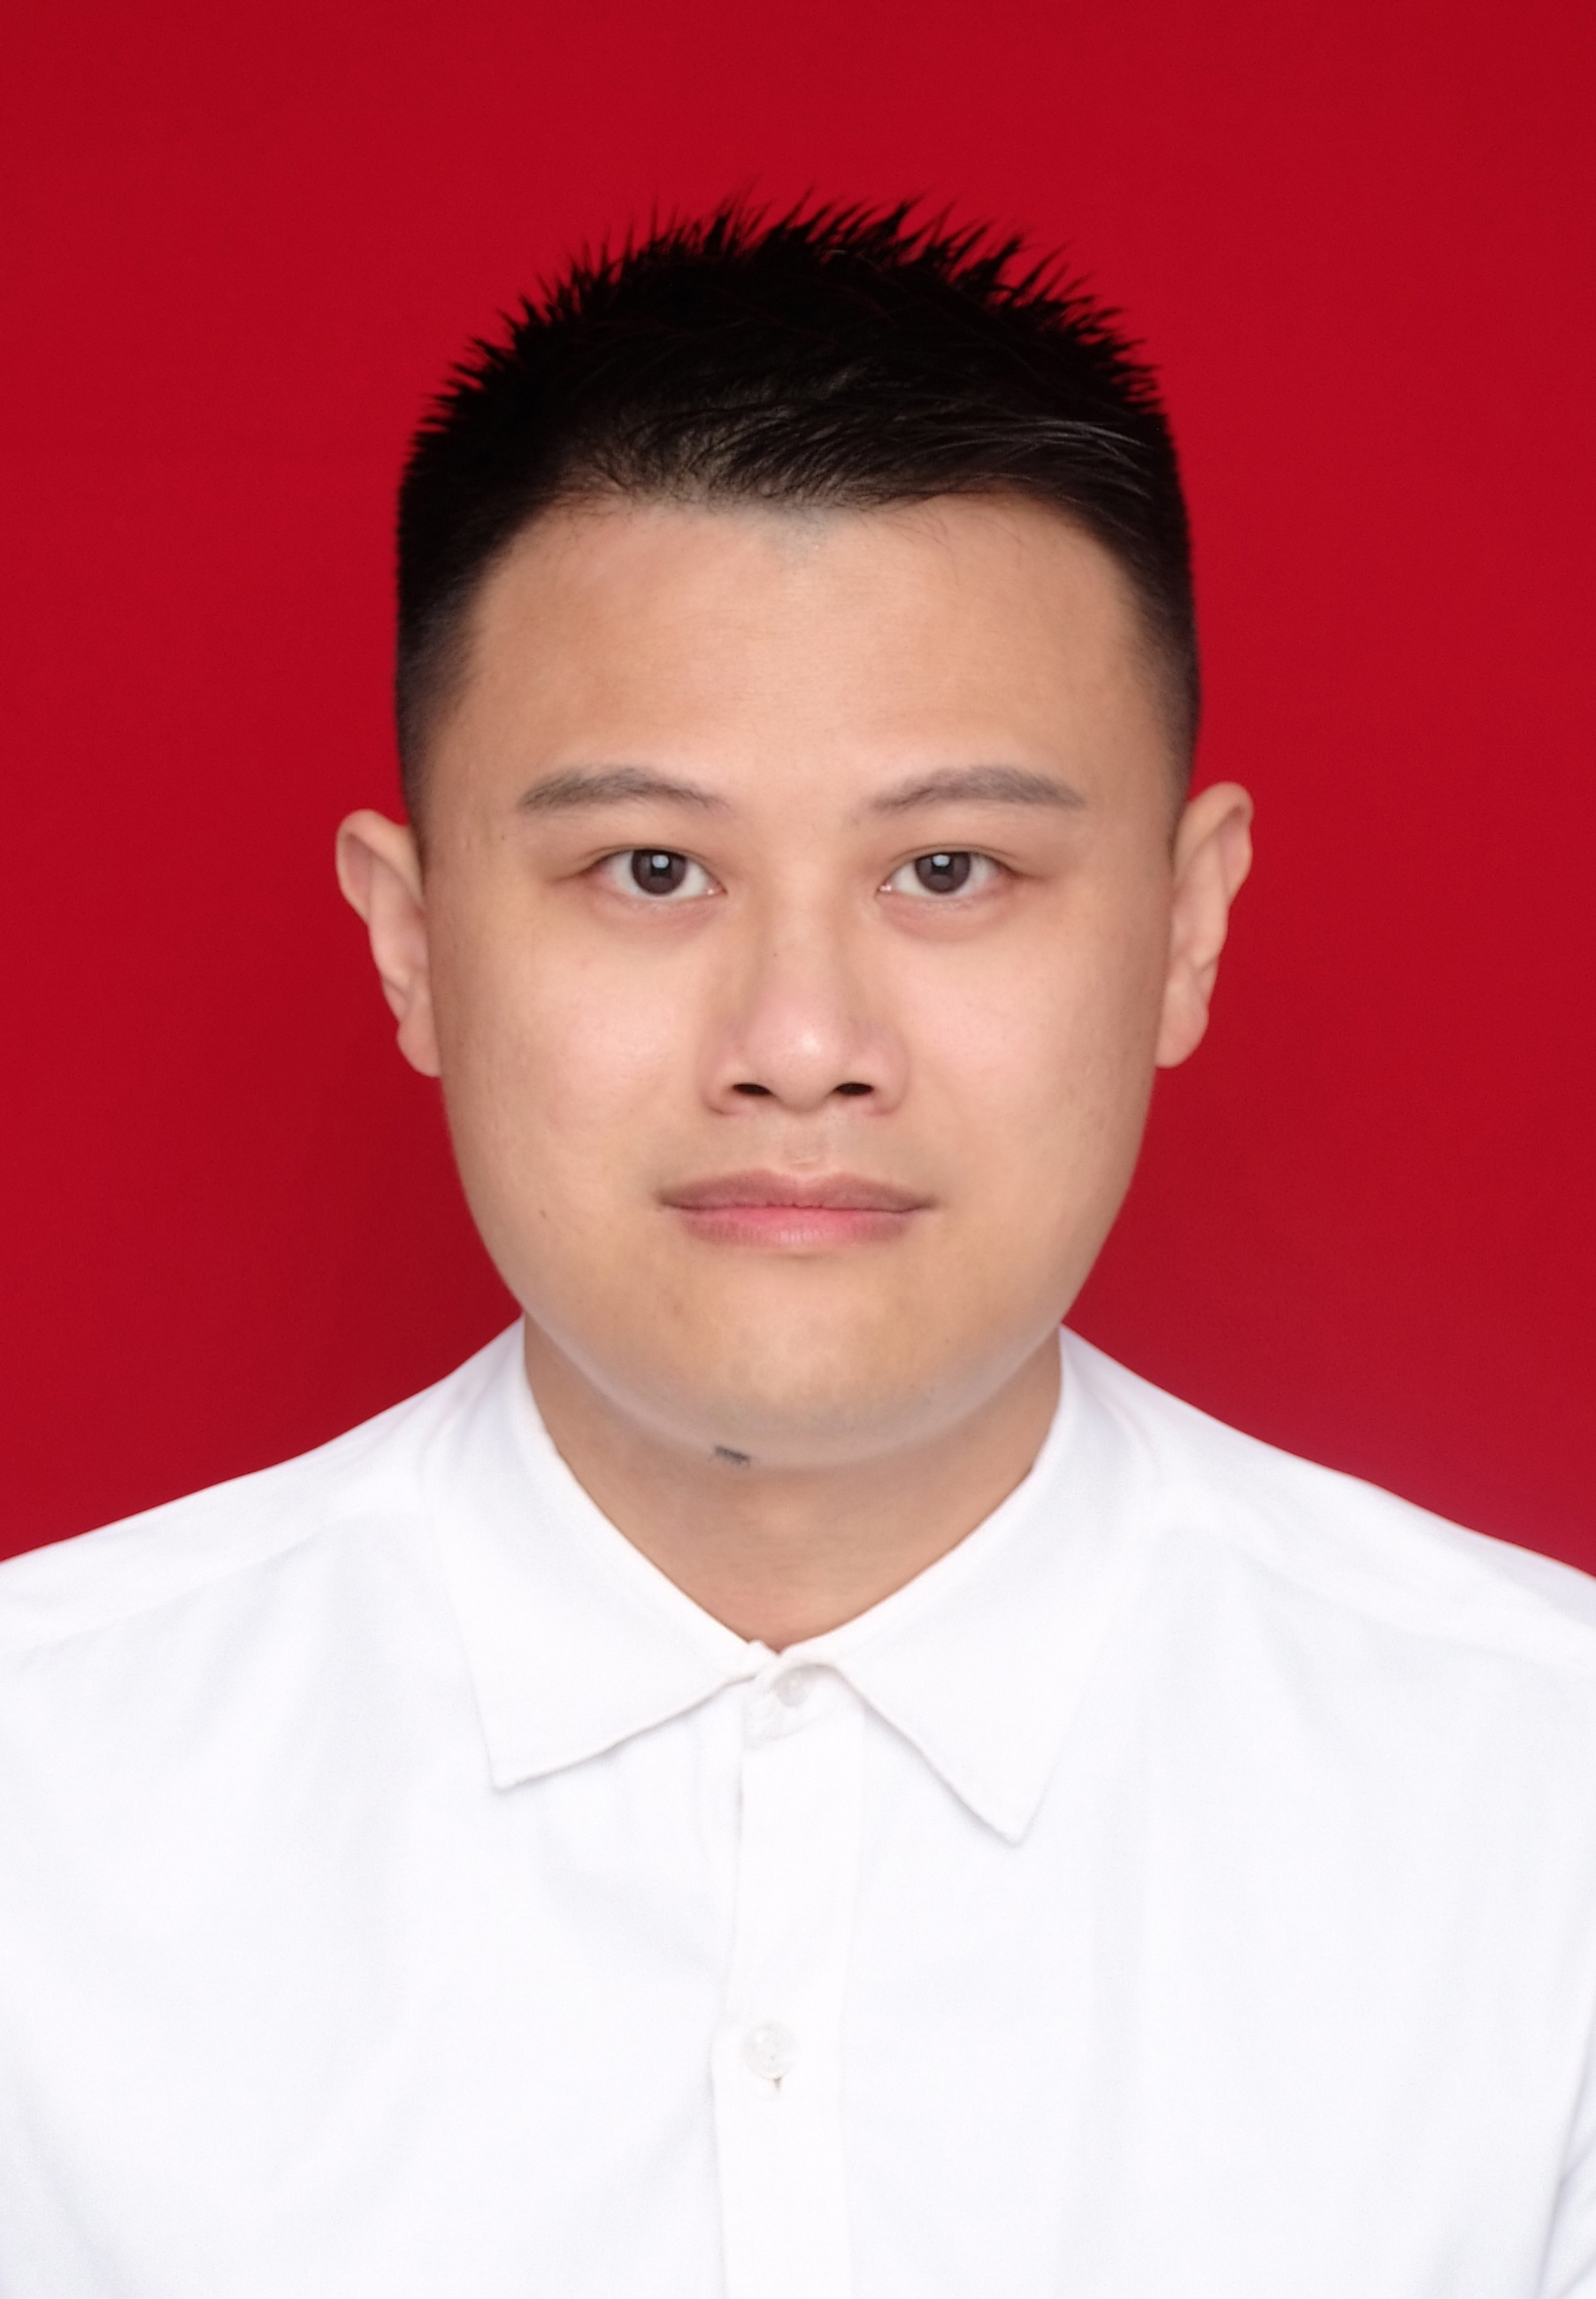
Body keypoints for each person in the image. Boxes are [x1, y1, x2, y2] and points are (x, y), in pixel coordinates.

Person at [1, 201, 1592, 2299]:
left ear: (1183, 926)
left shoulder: (1539, 1817)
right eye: (651, 868)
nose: (800, 1041)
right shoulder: (42, 1809)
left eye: (948, 868)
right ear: (412, 943)